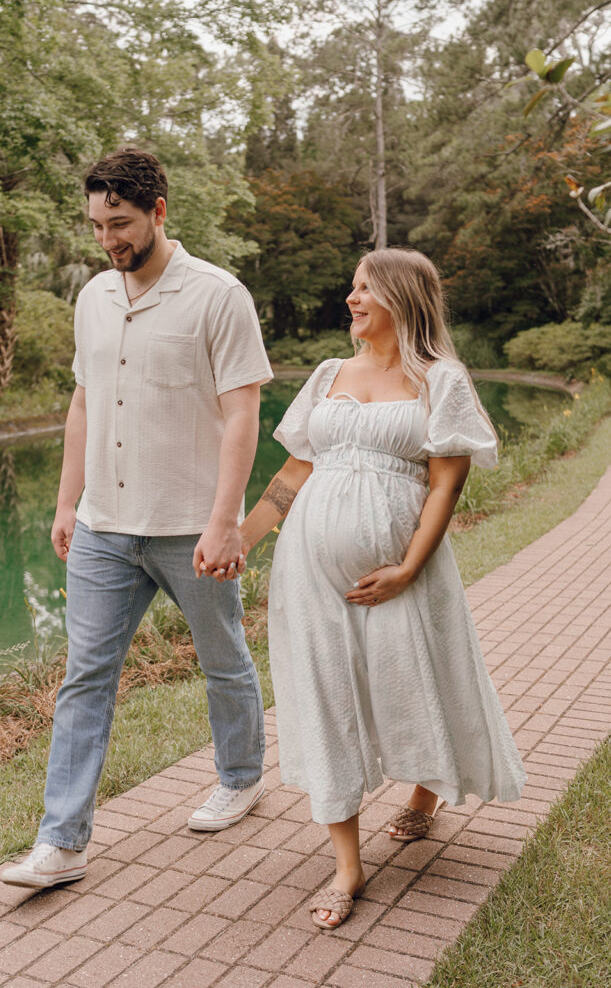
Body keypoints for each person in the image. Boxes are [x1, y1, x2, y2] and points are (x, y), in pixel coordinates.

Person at [2, 147, 273, 889]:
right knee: (85, 676)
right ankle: (61, 843)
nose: (107, 240)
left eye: (118, 223)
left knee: (222, 659)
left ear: (157, 212)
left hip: (191, 524)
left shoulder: (218, 296)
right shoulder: (93, 297)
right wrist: (67, 501)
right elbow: (84, 402)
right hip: (103, 525)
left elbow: (241, 412)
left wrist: (225, 521)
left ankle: (242, 775)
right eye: (95, 225)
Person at [233, 247, 526, 929]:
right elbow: (293, 471)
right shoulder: (329, 374)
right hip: (310, 573)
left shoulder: (440, 380)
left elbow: (446, 483)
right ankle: (346, 864)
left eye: (363, 288)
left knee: (416, 679)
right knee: (324, 695)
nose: (350, 298)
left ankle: (424, 796)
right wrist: (238, 542)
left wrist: (407, 567)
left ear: (399, 296)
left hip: (400, 570)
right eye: (351, 288)